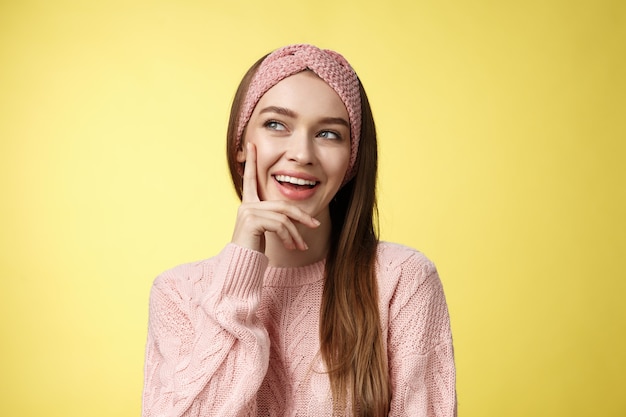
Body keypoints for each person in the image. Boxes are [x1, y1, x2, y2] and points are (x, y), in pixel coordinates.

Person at [142, 44, 457, 417]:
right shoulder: (178, 294)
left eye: (329, 134)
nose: (302, 153)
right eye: (277, 125)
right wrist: (241, 270)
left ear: (352, 162)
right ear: (241, 144)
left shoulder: (401, 280)